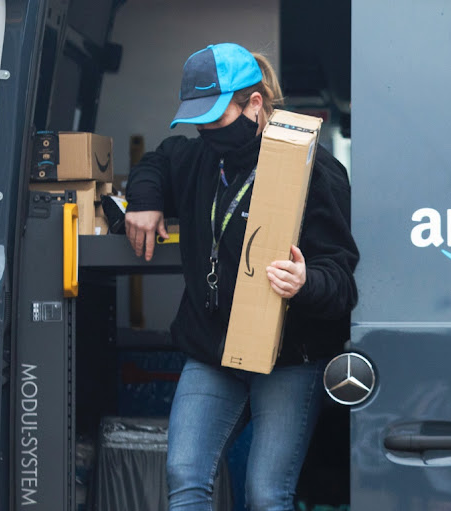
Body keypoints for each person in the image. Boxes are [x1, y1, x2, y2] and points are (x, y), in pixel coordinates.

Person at [124, 42, 359, 511]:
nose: (207, 131)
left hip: (292, 357)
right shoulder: (199, 159)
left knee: (267, 494)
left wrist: (306, 281)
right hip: (212, 349)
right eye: (199, 120)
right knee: (185, 476)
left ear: (255, 104)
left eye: (216, 117)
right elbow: (158, 160)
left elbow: (343, 280)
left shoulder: (317, 171)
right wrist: (144, 201)